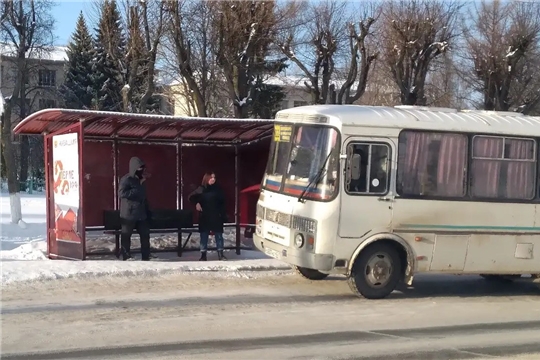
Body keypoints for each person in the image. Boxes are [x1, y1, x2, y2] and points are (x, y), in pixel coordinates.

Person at [118, 157, 152, 261]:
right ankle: (126, 255)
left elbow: (143, 195)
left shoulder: (141, 180)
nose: (141, 170)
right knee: (126, 235)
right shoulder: (126, 179)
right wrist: (136, 190)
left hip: (141, 213)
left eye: (142, 168)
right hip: (129, 213)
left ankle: (146, 256)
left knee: (145, 235)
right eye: (139, 168)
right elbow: (121, 193)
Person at [188, 172, 228, 261]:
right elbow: (191, 197)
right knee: (204, 236)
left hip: (216, 215)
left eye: (214, 177)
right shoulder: (201, 189)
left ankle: (221, 254)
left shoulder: (218, 189)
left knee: (219, 235)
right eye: (211, 177)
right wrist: (197, 203)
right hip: (205, 216)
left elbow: (222, 203)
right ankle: (203, 255)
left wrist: (223, 215)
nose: (213, 179)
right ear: (207, 178)